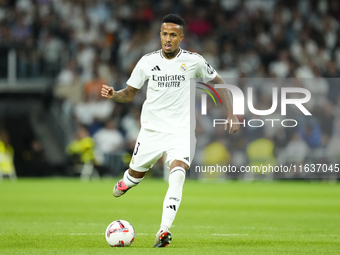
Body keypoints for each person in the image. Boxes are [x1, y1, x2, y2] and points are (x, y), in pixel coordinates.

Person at [101, 13, 239, 248]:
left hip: (181, 132)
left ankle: (163, 231)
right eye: (164, 34)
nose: (168, 38)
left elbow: (219, 82)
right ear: (160, 36)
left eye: (173, 35)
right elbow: (129, 93)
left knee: (178, 173)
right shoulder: (146, 62)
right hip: (152, 132)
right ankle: (127, 180)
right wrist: (114, 95)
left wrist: (231, 113)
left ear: (181, 38)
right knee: (135, 176)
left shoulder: (193, 61)